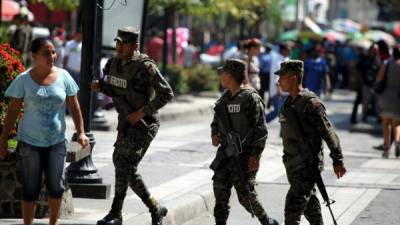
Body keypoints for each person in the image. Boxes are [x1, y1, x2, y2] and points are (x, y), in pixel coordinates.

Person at [0, 37, 89, 225]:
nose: (52, 56)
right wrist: (3, 139)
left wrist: (81, 132)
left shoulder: (64, 76)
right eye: (47, 53)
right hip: (29, 142)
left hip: (56, 141)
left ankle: (53, 223)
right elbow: (13, 111)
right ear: (34, 55)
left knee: (56, 187)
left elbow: (74, 106)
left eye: (53, 52)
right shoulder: (23, 80)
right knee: (30, 188)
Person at [91, 26, 174, 225]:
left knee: (124, 163)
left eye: (124, 43)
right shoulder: (112, 64)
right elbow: (115, 88)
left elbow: (167, 93)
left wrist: (142, 112)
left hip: (146, 123)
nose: (119, 47)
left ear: (135, 46)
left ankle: (120, 212)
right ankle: (150, 209)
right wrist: (100, 86)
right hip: (126, 121)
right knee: (121, 163)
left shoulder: (145, 66)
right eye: (118, 42)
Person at [275, 60, 347, 225]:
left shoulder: (311, 103)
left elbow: (329, 134)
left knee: (292, 211)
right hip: (292, 165)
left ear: (294, 78)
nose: (279, 81)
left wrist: (338, 160)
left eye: (282, 77)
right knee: (311, 209)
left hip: (306, 165)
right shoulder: (288, 103)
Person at [210, 59, 279, 225]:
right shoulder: (224, 99)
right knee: (220, 192)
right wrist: (215, 134)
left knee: (246, 196)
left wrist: (255, 156)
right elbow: (215, 122)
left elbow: (260, 130)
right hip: (225, 154)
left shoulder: (250, 98)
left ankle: (267, 221)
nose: (221, 76)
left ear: (232, 76)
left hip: (244, 155)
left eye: (224, 73)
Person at [376, 45, 400, 158]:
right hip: (398, 97)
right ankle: (398, 141)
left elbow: (379, 78)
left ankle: (387, 149)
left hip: (386, 95)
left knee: (386, 124)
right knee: (398, 123)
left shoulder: (387, 62)